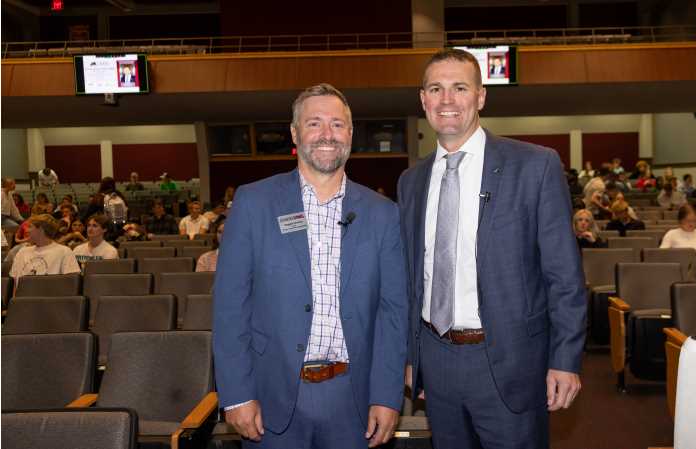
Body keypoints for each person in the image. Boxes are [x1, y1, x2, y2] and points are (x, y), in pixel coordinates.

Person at [397, 49, 584, 449]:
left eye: (459, 88)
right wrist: (413, 357)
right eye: (436, 88)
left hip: (510, 361)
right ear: (423, 100)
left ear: (480, 97)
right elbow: (413, 278)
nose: (447, 100)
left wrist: (564, 360)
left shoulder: (536, 166)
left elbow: (564, 276)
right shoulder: (410, 182)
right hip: (436, 359)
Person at [213, 83, 408, 449]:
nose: (326, 135)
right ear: (295, 132)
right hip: (272, 398)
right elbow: (229, 306)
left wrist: (386, 395)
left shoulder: (383, 214)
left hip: (354, 399)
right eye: (314, 123)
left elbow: (393, 313)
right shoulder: (254, 203)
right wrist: (237, 393)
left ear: (350, 134)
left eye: (337, 124)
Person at [9, 214, 80, 284]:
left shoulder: (64, 252)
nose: (27, 230)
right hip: (24, 295)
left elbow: (71, 284)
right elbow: (16, 284)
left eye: (30, 227)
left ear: (40, 229)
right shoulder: (22, 252)